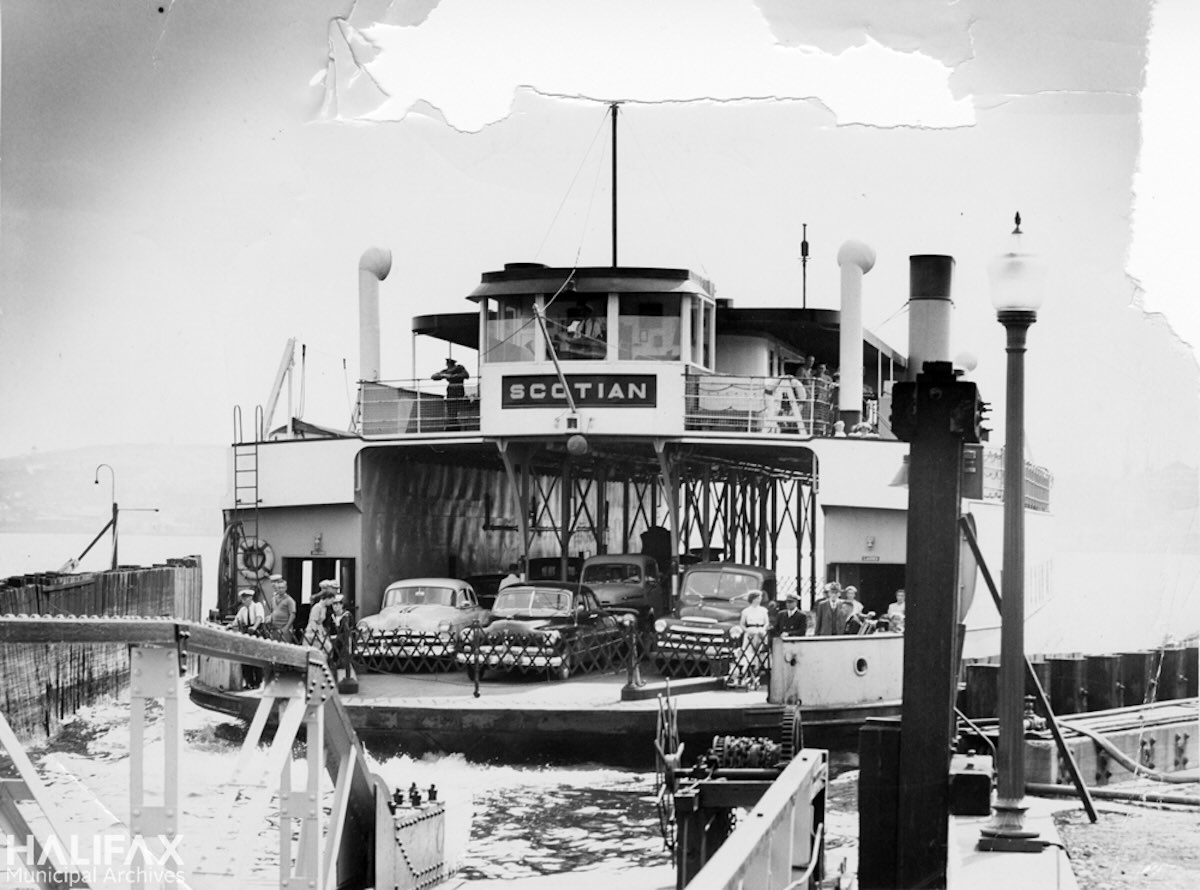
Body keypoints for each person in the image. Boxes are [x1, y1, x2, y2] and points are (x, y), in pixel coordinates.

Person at [730, 589, 771, 688]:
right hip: (750, 632)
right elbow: (742, 624)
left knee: (761, 653)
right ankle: (747, 672)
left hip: (760, 631)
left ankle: (759, 672)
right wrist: (747, 631)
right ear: (753, 599)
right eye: (758, 598)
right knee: (748, 653)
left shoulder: (763, 610)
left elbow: (767, 623)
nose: (760, 599)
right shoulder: (746, 611)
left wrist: (763, 629)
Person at [234, 588, 266, 687]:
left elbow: (259, 617)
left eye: (246, 598)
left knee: (256, 658)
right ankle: (249, 682)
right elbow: (236, 620)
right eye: (243, 599)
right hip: (247, 633)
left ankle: (258, 682)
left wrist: (254, 627)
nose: (244, 600)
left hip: (257, 632)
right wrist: (230, 626)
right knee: (246, 659)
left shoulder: (257, 606)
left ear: (251, 598)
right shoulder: (242, 610)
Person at [431, 356, 469, 430]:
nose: (447, 365)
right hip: (451, 391)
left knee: (457, 408)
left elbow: (466, 375)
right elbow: (433, 376)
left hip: (458, 390)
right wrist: (444, 375)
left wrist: (454, 376)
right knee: (451, 409)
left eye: (448, 363)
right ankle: (452, 424)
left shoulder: (459, 368)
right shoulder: (446, 371)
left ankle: (457, 424)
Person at [305, 580, 338, 646]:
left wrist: (323, 632)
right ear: (327, 599)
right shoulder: (317, 607)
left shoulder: (324, 608)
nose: (332, 603)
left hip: (321, 629)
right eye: (331, 601)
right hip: (313, 631)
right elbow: (313, 621)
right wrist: (316, 633)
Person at [268, 574, 296, 642]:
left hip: (284, 629)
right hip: (274, 629)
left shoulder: (289, 600)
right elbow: (272, 612)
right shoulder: (273, 599)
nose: (281, 590)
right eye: (279, 588)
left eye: (282, 588)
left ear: (286, 588)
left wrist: (286, 627)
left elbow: (292, 615)